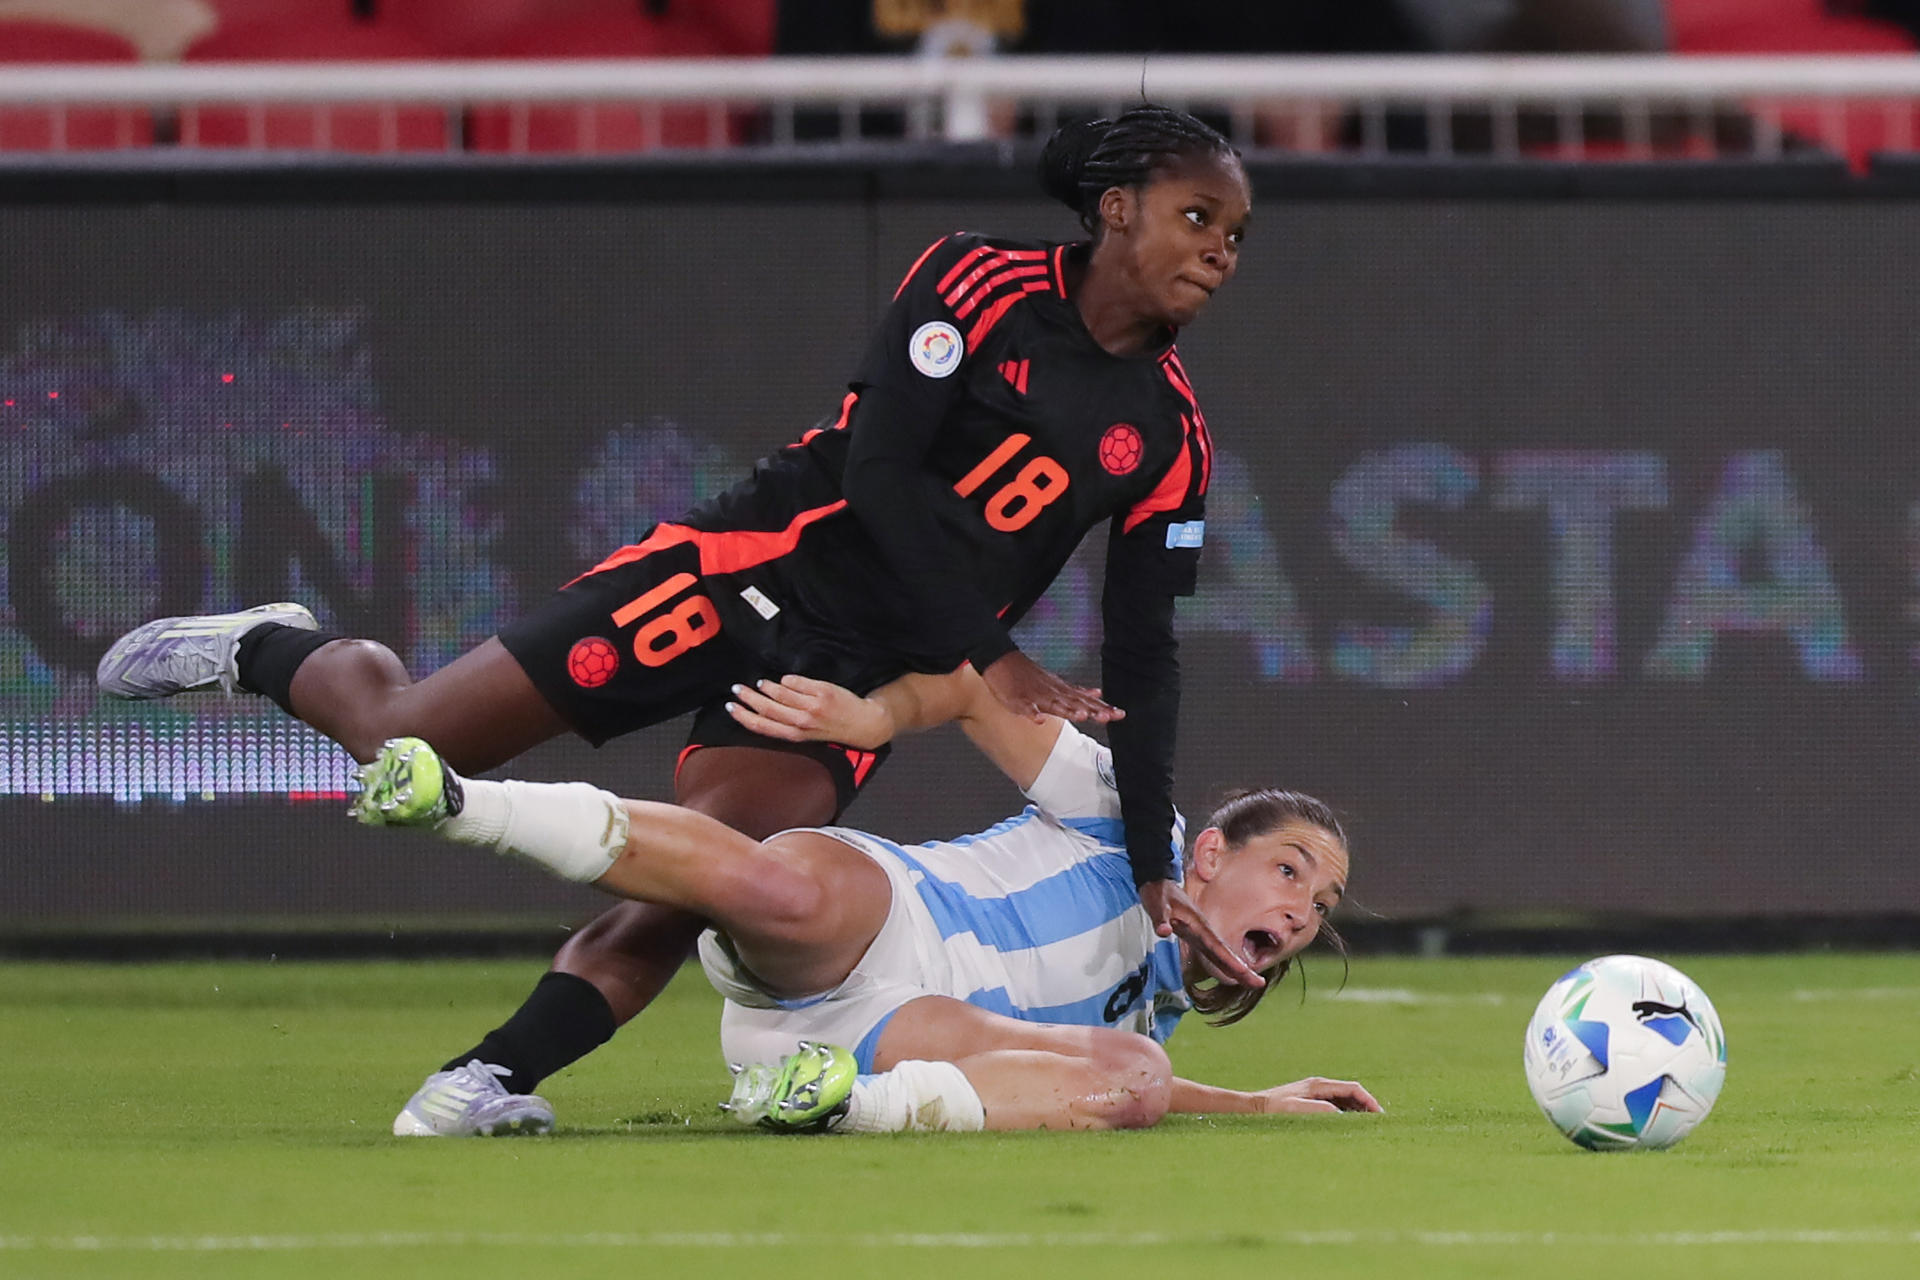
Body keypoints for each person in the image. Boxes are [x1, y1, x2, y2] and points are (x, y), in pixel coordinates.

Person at [96, 102, 1258, 1135]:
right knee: (416, 735)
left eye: (1235, 235)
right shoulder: (976, 281)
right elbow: (880, 477)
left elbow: (1144, 651)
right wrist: (998, 656)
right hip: (740, 573)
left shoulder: (1173, 436)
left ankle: (493, 1072)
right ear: (1115, 208)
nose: (1219, 250)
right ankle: (269, 645)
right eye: (1199, 215)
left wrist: (1154, 864)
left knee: (713, 879)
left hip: (847, 678)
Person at [351, 664, 1381, 1133]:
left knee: (1137, 1077)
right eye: (1290, 868)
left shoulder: (1150, 1014)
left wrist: (1258, 1099)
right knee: (775, 887)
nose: (1299, 910)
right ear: (1207, 852)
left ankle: (839, 1100)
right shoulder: (1131, 814)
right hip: (894, 910)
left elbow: (1136, 1083)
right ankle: (458, 798)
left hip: (882, 1031)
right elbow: (979, 688)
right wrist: (876, 708)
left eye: (1319, 902)